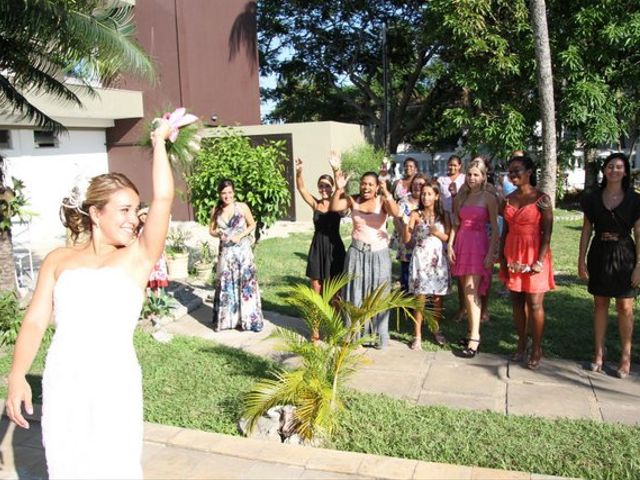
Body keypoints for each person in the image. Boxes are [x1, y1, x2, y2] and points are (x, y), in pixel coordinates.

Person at [6, 120, 175, 479]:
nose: (134, 219)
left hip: (114, 382)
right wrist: (18, 374)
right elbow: (36, 320)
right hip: (63, 380)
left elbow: (163, 198)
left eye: (135, 209)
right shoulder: (58, 260)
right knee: (67, 466)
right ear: (96, 214)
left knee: (115, 467)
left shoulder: (138, 257)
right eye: (124, 210)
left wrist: (159, 141)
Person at [578, 152, 640, 379]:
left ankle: (625, 357)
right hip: (599, 253)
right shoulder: (592, 198)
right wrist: (581, 260)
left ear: (626, 172)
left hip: (625, 254)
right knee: (600, 304)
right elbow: (586, 231)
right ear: (604, 170)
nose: (614, 170)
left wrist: (639, 266)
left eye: (619, 167)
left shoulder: (635, 200)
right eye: (610, 166)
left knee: (625, 307)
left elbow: (639, 234)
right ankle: (598, 354)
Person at [330, 170, 400, 349]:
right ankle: (354, 336)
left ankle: (377, 337)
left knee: (378, 294)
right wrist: (339, 188)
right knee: (355, 294)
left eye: (370, 184)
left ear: (376, 187)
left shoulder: (382, 201)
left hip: (379, 255)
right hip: (356, 254)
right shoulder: (353, 199)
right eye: (363, 183)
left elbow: (396, 212)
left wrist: (387, 193)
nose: (366, 187)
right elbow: (334, 207)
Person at [499, 156, 555, 370]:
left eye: (517, 171)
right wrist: (503, 259)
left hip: (534, 253)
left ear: (529, 171)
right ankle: (521, 343)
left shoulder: (542, 198)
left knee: (534, 303)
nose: (512, 175)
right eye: (510, 171)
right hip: (513, 252)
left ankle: (537, 348)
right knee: (516, 302)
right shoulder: (508, 199)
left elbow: (547, 233)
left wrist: (539, 260)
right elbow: (505, 231)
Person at [448, 159, 499, 358]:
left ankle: (475, 337)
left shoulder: (488, 198)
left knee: (471, 292)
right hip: (461, 243)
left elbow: (495, 228)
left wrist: (491, 252)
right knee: (465, 289)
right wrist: (450, 245)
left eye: (476, 174)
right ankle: (471, 331)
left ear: (484, 177)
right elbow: (455, 224)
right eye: (469, 174)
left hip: (478, 245)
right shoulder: (462, 196)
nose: (472, 178)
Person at [210, 179, 264, 332]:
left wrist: (240, 236)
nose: (227, 196)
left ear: (234, 192)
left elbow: (252, 224)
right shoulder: (216, 210)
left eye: (229, 192)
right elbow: (211, 230)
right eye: (223, 193)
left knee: (244, 283)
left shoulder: (242, 207)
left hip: (242, 252)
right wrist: (218, 233)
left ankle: (247, 320)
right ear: (220, 194)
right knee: (227, 284)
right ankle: (229, 321)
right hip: (226, 253)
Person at [404, 183, 451, 349]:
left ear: (437, 196)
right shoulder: (415, 214)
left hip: (438, 259)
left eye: (429, 194)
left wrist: (436, 232)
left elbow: (448, 238)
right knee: (420, 297)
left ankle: (436, 330)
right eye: (423, 194)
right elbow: (407, 239)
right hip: (421, 259)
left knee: (438, 297)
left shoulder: (443, 215)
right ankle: (417, 335)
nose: (425, 197)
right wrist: (408, 225)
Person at [294, 157, 346, 292]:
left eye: (327, 186)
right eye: (321, 186)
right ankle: (317, 314)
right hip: (317, 248)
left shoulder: (338, 202)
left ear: (332, 187)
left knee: (334, 291)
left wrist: (335, 169)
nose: (324, 189)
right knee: (316, 287)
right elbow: (301, 188)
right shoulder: (315, 204)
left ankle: (334, 313)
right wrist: (299, 171)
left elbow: (340, 187)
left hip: (334, 247)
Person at [395, 173, 428, 291]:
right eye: (414, 184)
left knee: (423, 275)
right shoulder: (403, 202)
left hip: (423, 245)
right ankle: (406, 305)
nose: (417, 186)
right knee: (406, 275)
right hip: (406, 245)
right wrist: (405, 238)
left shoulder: (427, 201)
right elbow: (396, 219)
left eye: (420, 184)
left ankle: (425, 305)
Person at [137, 205, 169, 294]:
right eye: (141, 215)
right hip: (144, 257)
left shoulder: (154, 227)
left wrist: (165, 256)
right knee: (144, 281)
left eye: (145, 214)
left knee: (155, 283)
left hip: (155, 257)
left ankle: (155, 303)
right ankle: (146, 303)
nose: (143, 217)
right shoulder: (139, 229)